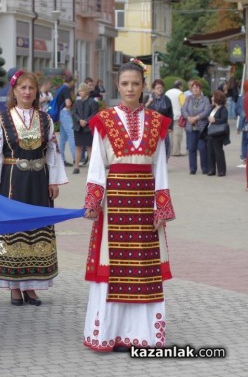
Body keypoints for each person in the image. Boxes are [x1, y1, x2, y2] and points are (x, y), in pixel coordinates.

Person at [82, 59, 175, 352]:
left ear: (144, 86)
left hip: (146, 203)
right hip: (115, 205)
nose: (130, 88)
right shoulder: (104, 119)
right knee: (114, 266)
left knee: (144, 270)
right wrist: (93, 201)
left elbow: (160, 167)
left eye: (135, 83)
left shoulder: (158, 122)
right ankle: (109, 334)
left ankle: (142, 335)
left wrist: (162, 207)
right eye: (125, 84)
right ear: (117, 86)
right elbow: (96, 164)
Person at [0, 70, 67, 307]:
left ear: (36, 91)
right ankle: (14, 287)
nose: (27, 92)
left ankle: (32, 286)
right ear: (14, 91)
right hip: (12, 180)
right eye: (23, 88)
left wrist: (54, 180)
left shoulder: (45, 119)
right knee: (14, 229)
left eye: (31, 88)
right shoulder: (2, 119)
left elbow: (52, 149)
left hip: (39, 181)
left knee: (36, 227)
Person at [181, 80, 211, 175]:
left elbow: (207, 110)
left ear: (200, 89)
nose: (195, 89)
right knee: (191, 148)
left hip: (202, 128)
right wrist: (189, 117)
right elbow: (183, 110)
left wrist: (197, 117)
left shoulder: (205, 99)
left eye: (197, 88)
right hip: (190, 127)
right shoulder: (188, 99)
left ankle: (205, 168)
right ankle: (192, 168)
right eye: (193, 88)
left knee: (202, 148)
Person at [72, 83, 98, 174]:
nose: (80, 93)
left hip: (88, 128)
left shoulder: (92, 102)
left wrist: (86, 121)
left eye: (81, 91)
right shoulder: (77, 102)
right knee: (78, 147)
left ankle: (92, 167)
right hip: (78, 127)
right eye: (79, 91)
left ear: (86, 91)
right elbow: (74, 113)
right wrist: (80, 120)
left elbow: (94, 114)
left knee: (89, 147)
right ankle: (76, 167)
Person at [145, 79, 173, 160]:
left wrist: (170, 127)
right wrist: (148, 103)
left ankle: (163, 161)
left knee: (165, 144)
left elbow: (170, 113)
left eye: (161, 88)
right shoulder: (148, 98)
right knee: (152, 144)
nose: (160, 89)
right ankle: (152, 161)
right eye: (157, 88)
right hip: (151, 126)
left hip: (163, 125)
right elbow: (142, 110)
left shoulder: (167, 99)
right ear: (153, 89)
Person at [206, 90, 229, 177]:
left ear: (217, 98)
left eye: (213, 97)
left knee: (218, 152)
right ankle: (211, 170)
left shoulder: (223, 109)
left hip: (218, 133)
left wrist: (215, 120)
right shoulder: (213, 108)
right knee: (210, 152)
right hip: (210, 132)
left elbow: (224, 119)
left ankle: (221, 170)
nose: (211, 98)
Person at [55, 75, 76, 166]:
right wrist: (72, 104)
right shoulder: (66, 89)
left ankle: (61, 159)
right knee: (71, 134)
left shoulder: (61, 88)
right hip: (65, 113)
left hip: (60, 113)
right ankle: (76, 158)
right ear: (71, 82)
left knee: (63, 138)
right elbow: (68, 103)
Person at [165, 80, 186, 156]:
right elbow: (184, 105)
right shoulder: (180, 93)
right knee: (177, 135)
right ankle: (176, 152)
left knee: (169, 134)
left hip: (168, 116)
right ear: (180, 86)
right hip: (178, 116)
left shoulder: (167, 92)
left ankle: (169, 151)